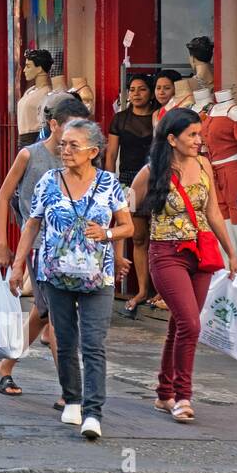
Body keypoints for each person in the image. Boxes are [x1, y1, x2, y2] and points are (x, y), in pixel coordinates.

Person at [10, 118, 133, 440]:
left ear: (93, 151)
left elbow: (128, 227)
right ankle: (72, 398)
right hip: (55, 275)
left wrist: (106, 233)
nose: (65, 150)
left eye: (73, 145)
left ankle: (93, 413)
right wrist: (18, 264)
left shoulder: (109, 184)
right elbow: (32, 224)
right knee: (64, 342)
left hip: (98, 278)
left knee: (93, 345)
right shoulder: (48, 182)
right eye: (63, 144)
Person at [130, 108, 237, 424]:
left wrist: (231, 252)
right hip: (166, 254)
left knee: (179, 324)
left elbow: (214, 214)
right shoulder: (151, 172)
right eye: (191, 135)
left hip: (202, 254)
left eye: (199, 133)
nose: (198, 140)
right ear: (171, 138)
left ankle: (164, 393)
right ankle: (183, 396)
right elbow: (126, 211)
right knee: (191, 325)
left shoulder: (204, 164)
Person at [0, 92, 90, 398]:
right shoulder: (29, 155)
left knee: (44, 313)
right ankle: (70, 392)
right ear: (54, 125)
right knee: (59, 317)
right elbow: (3, 196)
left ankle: (5, 366)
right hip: (35, 245)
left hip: (71, 247)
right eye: (72, 127)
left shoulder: (79, 158)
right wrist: (2, 243)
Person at [108, 74, 156, 318]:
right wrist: (109, 182)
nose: (136, 94)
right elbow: (112, 154)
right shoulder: (120, 119)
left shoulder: (160, 116)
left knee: (160, 236)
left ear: (151, 93)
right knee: (137, 237)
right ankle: (143, 290)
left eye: (142, 89)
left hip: (156, 181)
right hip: (127, 181)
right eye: (132, 90)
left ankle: (160, 291)